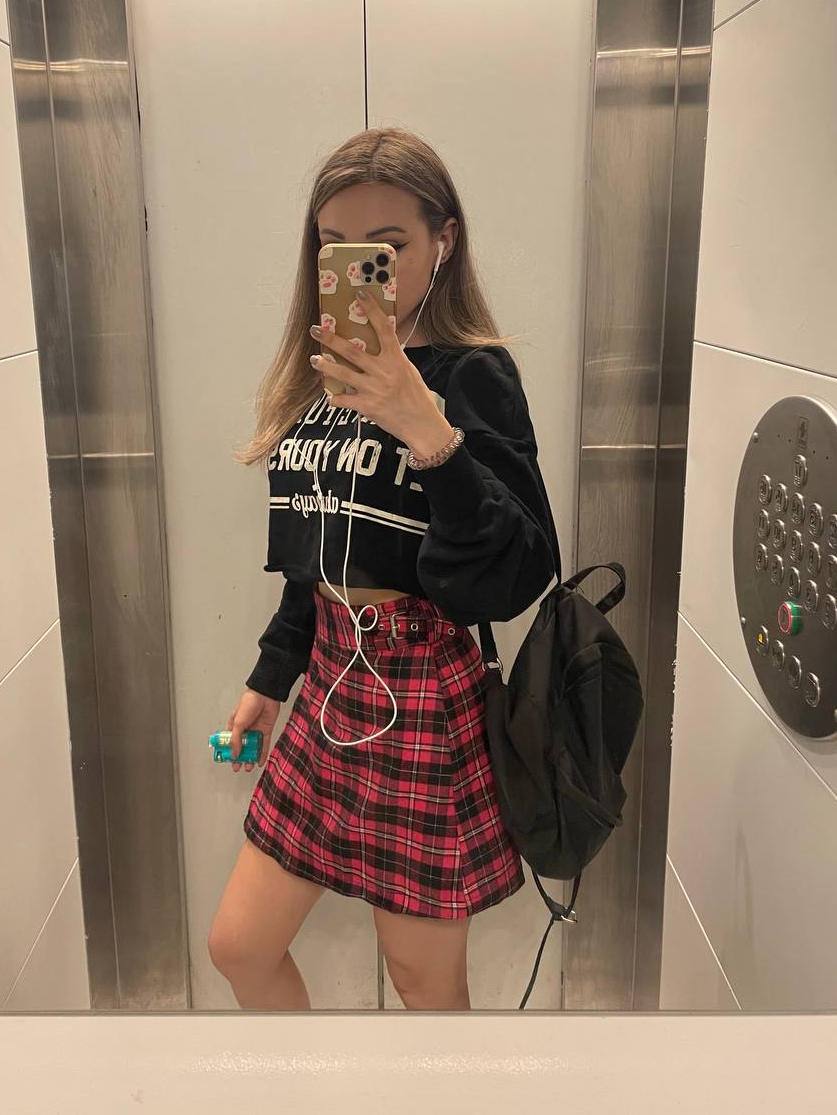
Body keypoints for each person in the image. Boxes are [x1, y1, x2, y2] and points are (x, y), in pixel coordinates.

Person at [207, 127, 560, 1011]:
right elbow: (315, 560)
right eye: (334, 245)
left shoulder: (473, 376)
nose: (360, 267)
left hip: (422, 688)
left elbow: (521, 573)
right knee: (239, 947)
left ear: (444, 241)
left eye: (387, 246)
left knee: (423, 983)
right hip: (330, 685)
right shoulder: (320, 381)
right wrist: (269, 678)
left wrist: (428, 429)